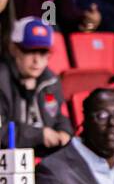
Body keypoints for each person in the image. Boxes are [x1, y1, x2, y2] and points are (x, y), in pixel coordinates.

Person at [0, 17, 72, 156]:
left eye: (43, 52)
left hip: (45, 158)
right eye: (29, 51)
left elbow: (59, 116)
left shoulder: (51, 80)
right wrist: (38, 135)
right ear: (14, 49)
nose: (37, 60)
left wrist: (64, 132)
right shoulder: (2, 80)